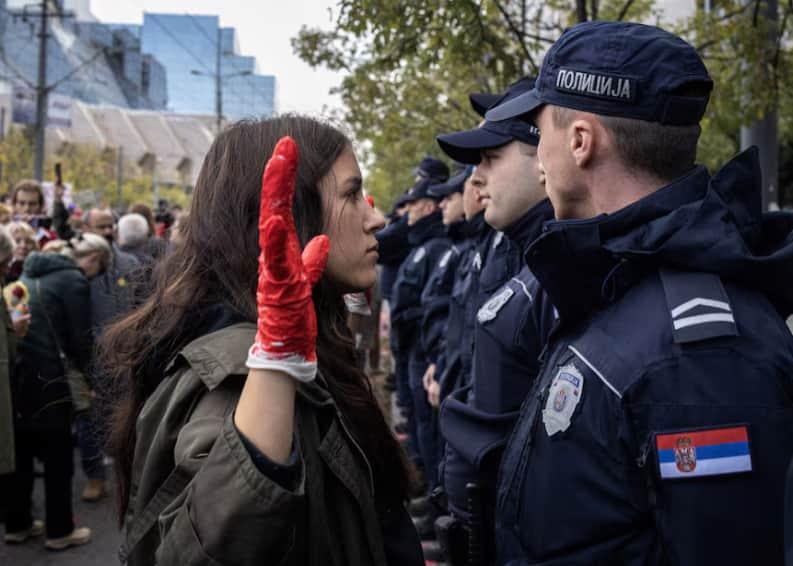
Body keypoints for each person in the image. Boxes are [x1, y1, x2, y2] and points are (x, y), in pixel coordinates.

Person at [485, 21, 793, 564]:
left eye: (541, 132)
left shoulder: (698, 356)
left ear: (581, 141)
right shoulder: (616, 281)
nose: (538, 160)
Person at [101, 116, 422, 565]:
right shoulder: (239, 371)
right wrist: (277, 360)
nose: (377, 217)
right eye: (351, 194)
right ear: (288, 215)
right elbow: (206, 550)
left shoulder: (309, 339)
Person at [433, 76, 558, 563]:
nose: (475, 180)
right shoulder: (525, 252)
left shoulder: (556, 270)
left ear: (545, 156)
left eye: (490, 159)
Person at [4, 233, 108, 550]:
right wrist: (91, 381)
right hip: (52, 382)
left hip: (17, 382)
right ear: (86, 259)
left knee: (21, 454)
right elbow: (80, 340)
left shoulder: (18, 282)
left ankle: (17, 524)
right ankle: (59, 530)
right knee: (58, 459)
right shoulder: (72, 280)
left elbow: (14, 333)